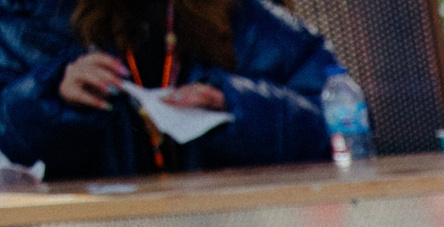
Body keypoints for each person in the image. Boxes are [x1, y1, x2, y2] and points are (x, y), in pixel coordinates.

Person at [0, 0, 339, 180]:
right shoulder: (29, 16)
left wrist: (237, 105)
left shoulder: (246, 16)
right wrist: (50, 95)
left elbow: (341, 121)